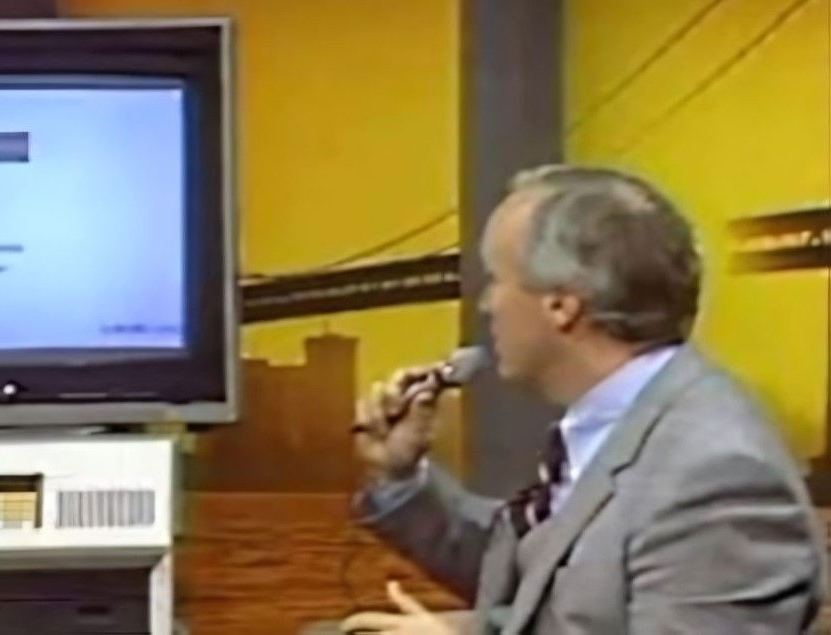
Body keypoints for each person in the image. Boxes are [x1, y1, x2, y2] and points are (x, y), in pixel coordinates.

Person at [343, 166, 827, 634]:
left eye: (497, 280)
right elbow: (538, 577)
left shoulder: (716, 474)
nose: (487, 303)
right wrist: (400, 477)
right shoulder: (625, 420)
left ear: (561, 305)